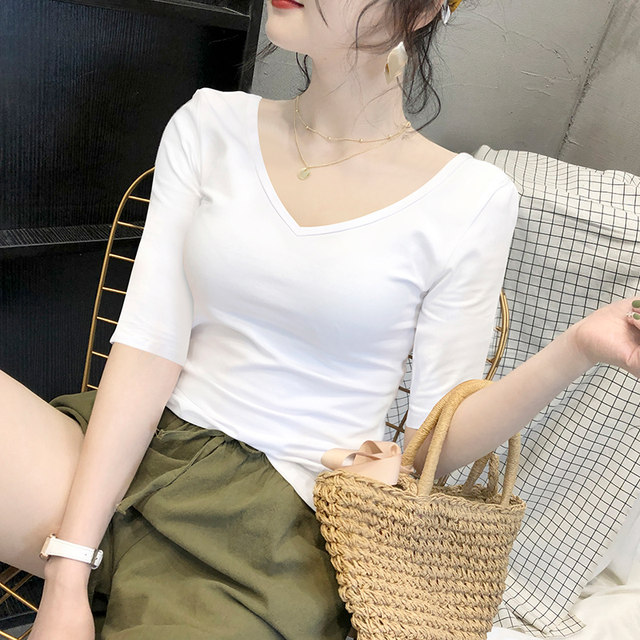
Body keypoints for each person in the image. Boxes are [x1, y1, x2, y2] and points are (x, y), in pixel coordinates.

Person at [1, 1, 639, 638]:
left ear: (420, 11)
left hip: (275, 520)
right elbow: (149, 346)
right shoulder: (208, 125)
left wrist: (577, 349)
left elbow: (433, 443)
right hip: (136, 451)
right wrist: (66, 572)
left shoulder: (470, 199)